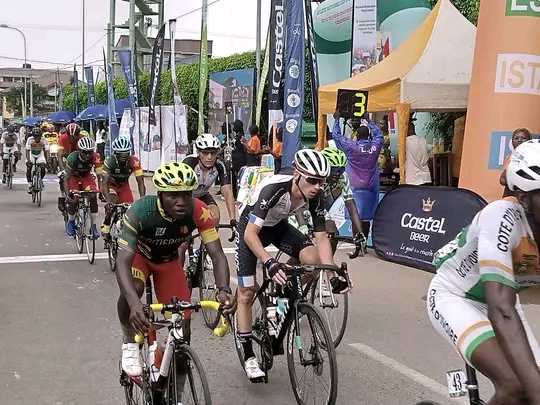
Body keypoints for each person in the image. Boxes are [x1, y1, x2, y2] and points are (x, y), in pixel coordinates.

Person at [427, 139, 540, 405]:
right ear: (523, 197)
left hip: (507, 305)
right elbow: (500, 309)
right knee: (517, 386)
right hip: (455, 298)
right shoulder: (501, 216)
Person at [115, 161, 232, 378]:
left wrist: (224, 289)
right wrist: (134, 304)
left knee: (182, 330)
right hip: (140, 258)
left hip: (168, 262)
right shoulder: (140, 211)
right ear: (160, 194)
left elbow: (217, 254)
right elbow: (122, 262)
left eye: (186, 194)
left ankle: (169, 381)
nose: (181, 202)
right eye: (173, 195)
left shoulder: (199, 211)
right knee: (135, 287)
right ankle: (129, 341)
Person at [235, 149, 334, 380]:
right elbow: (251, 234)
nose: (318, 186)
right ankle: (249, 355)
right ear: (298, 174)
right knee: (246, 293)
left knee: (312, 260)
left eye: (322, 181)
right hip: (251, 229)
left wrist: (331, 274)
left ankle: (282, 296)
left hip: (278, 227)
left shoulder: (315, 194)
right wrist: (269, 262)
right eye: (313, 180)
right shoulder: (275, 189)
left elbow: (321, 238)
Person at [332, 110, 384, 239]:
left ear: (357, 136)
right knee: (366, 217)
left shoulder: (352, 147)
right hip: (371, 186)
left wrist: (337, 120)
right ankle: (364, 243)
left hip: (354, 186)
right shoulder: (375, 146)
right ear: (368, 136)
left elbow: (336, 136)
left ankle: (357, 242)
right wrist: (370, 122)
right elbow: (380, 136)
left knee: (356, 216)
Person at [183, 133, 236, 225]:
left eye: (213, 153)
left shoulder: (220, 165)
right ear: (198, 152)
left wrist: (233, 219)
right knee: (186, 223)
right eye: (205, 153)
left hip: (203, 195)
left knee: (214, 217)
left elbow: (227, 192)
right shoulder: (189, 163)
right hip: (186, 196)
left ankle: (209, 238)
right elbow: (181, 190)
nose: (209, 157)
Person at [101, 137, 146, 241]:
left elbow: (140, 182)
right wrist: (108, 201)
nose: (124, 156)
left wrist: (142, 199)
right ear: (116, 153)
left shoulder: (134, 161)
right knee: (113, 203)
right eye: (121, 154)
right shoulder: (110, 161)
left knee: (129, 209)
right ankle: (106, 225)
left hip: (124, 186)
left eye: (126, 153)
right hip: (110, 186)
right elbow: (104, 182)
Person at [321, 147, 365, 252]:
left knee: (333, 233)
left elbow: (351, 206)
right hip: (302, 207)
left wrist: (359, 232)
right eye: (334, 169)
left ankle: (328, 266)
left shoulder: (342, 177)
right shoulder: (317, 177)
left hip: (320, 207)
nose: (337, 173)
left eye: (341, 169)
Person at [64, 137, 102, 240]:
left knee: (93, 196)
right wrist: (68, 195)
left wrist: (101, 191)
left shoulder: (95, 157)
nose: (87, 155)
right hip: (73, 178)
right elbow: (66, 178)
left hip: (86, 177)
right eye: (85, 152)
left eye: (90, 152)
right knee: (74, 198)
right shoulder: (72, 158)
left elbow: (99, 176)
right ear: (79, 150)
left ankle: (93, 226)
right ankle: (71, 221)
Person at [57, 122, 85, 212]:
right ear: (67, 134)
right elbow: (60, 156)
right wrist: (62, 170)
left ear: (79, 134)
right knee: (63, 176)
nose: (73, 138)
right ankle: (63, 196)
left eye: (75, 136)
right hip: (66, 157)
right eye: (70, 136)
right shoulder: (62, 138)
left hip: (78, 159)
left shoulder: (82, 138)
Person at [500, 128, 532, 197]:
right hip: (510, 197)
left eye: (523, 138)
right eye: (516, 138)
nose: (519, 140)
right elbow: (503, 180)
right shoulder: (510, 157)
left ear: (529, 141)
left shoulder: (533, 157)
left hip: (527, 199)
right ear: (512, 142)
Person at [405, 119, 432, 185]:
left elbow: (399, 160)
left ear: (407, 130)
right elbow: (426, 158)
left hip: (412, 179)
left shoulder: (405, 142)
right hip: (426, 178)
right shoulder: (423, 140)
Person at [25, 127, 49, 194]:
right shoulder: (30, 139)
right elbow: (27, 151)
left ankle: (40, 180)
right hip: (31, 154)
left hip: (40, 155)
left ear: (41, 136)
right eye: (35, 136)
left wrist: (47, 160)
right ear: (33, 136)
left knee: (43, 167)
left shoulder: (44, 140)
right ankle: (30, 184)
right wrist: (28, 160)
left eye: (38, 136)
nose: (37, 138)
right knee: (29, 168)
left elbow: (46, 151)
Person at [231, 119, 247, 198]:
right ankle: (235, 195)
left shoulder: (241, 136)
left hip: (239, 161)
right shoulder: (237, 135)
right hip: (236, 160)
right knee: (235, 178)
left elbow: (243, 148)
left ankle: (238, 195)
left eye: (234, 126)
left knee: (239, 179)